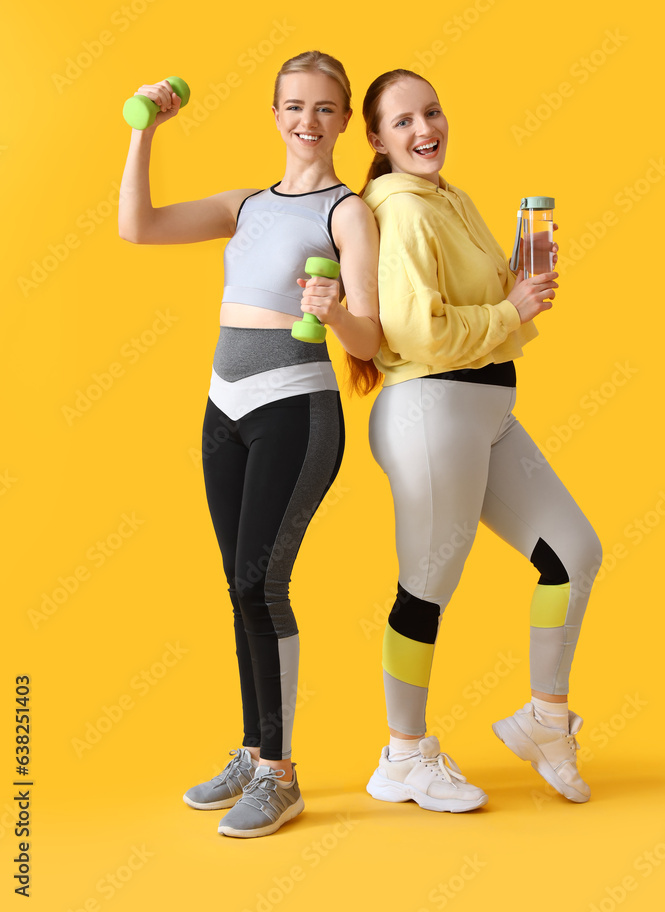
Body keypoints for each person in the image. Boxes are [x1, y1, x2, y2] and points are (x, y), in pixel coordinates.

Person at [118, 51, 381, 837]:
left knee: (260, 585)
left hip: (296, 410)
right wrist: (145, 132)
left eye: (326, 108)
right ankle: (251, 747)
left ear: (342, 120)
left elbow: (368, 336)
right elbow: (140, 226)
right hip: (222, 408)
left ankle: (279, 772)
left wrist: (333, 312)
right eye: (295, 106)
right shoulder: (245, 205)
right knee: (238, 584)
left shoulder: (348, 213)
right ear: (274, 115)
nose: (309, 121)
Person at [356, 69, 602, 812]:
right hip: (431, 411)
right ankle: (403, 754)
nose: (424, 128)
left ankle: (545, 721)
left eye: (431, 112)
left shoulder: (447, 197)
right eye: (402, 122)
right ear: (376, 139)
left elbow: (490, 317)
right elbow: (414, 332)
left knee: (574, 553)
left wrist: (519, 294)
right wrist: (509, 310)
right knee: (426, 588)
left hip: (483, 409)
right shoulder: (398, 209)